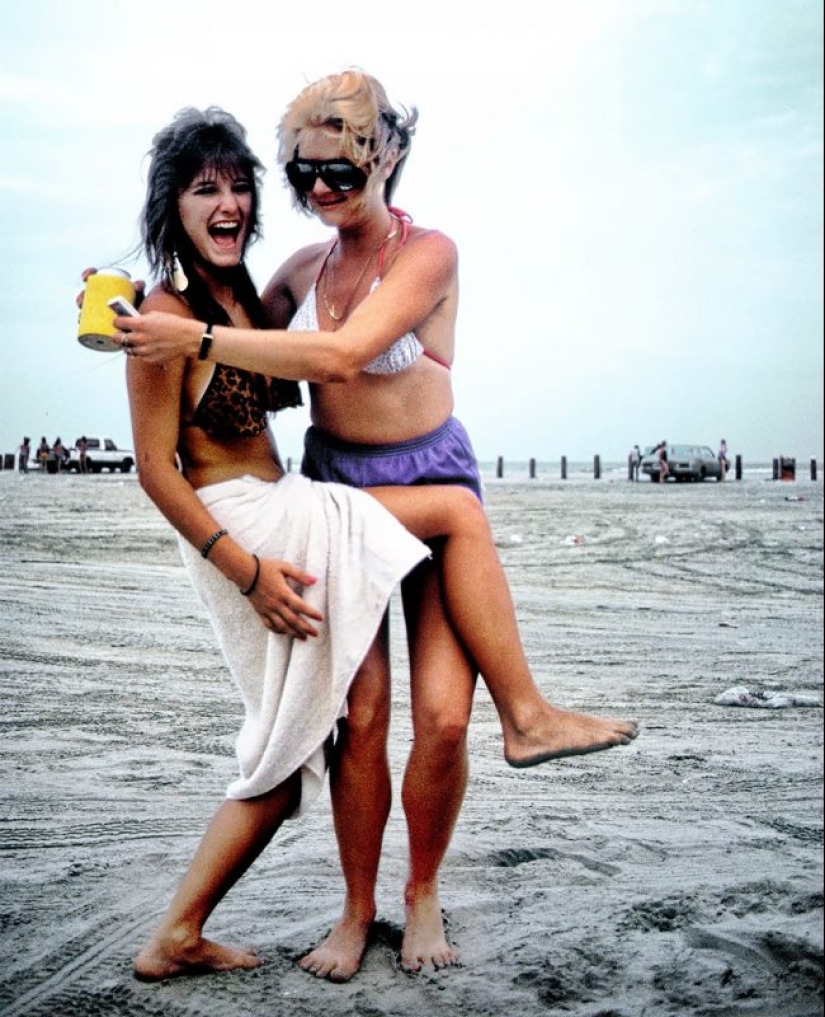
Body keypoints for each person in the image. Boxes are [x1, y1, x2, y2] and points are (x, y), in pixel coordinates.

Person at [112, 74, 638, 978]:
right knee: (361, 720)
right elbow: (225, 356)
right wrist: (132, 299)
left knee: (438, 718)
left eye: (339, 170)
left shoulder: (428, 252)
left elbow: (334, 355)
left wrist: (186, 335)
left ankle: (423, 891)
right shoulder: (299, 272)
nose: (319, 190)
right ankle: (356, 911)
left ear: (385, 155)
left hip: (424, 475)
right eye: (303, 174)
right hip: (333, 488)